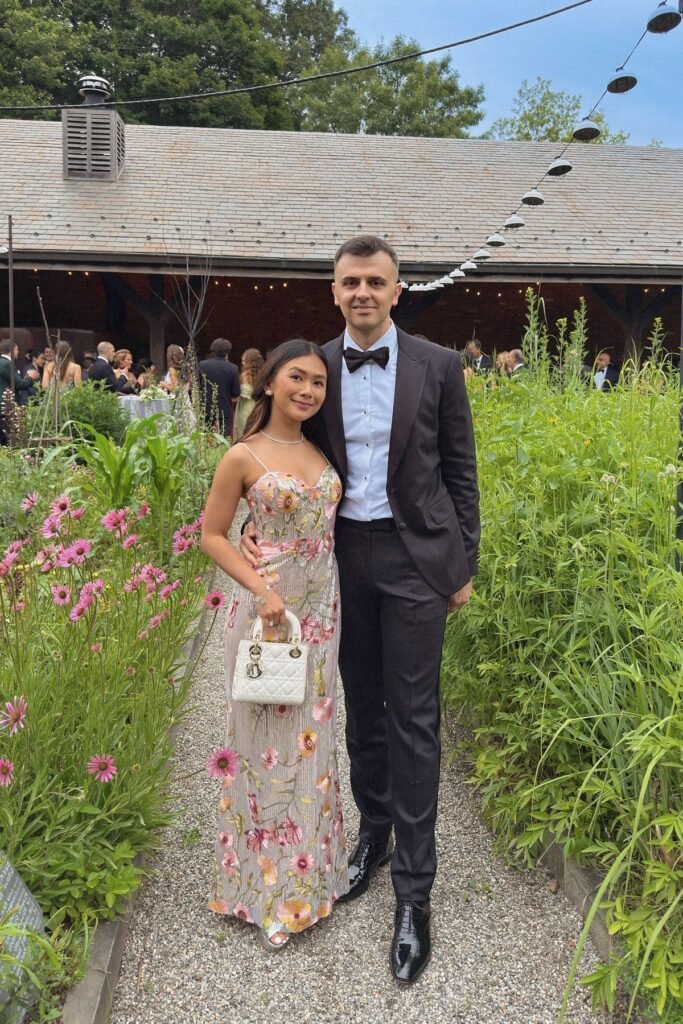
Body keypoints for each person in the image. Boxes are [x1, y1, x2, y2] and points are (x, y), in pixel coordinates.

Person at [242, 235, 480, 983]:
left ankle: (415, 892)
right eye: (351, 282)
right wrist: (260, 542)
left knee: (413, 715)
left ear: (397, 290)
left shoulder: (439, 366)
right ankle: (372, 832)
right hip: (338, 561)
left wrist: (460, 561)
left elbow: (460, 471)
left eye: (376, 281)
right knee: (360, 707)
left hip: (416, 562)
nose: (363, 292)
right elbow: (274, 448)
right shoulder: (313, 368)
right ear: (334, 289)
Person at [201, 338, 349, 951]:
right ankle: (261, 887)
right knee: (263, 737)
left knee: (313, 734)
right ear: (267, 382)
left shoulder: (322, 449)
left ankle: (312, 878)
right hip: (271, 611)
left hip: (324, 607)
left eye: (318, 381)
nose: (308, 390)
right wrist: (260, 587)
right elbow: (212, 535)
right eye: (297, 377)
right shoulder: (243, 455)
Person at [198, 337, 240, 436]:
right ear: (227, 352)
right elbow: (236, 393)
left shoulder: (202, 365)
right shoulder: (233, 368)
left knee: (204, 436)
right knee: (224, 439)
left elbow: (197, 385)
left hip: (206, 407)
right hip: (224, 409)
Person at [0, 339, 37, 441]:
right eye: (17, 349)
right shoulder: (7, 364)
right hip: (5, 406)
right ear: (11, 350)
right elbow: (19, 384)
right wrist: (31, 378)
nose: (18, 352)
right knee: (8, 438)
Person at [233, 347, 265, 440]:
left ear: (249, 361)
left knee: (243, 427)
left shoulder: (244, 375)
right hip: (259, 406)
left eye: (244, 360)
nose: (242, 362)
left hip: (245, 407)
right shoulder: (263, 374)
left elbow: (240, 393)